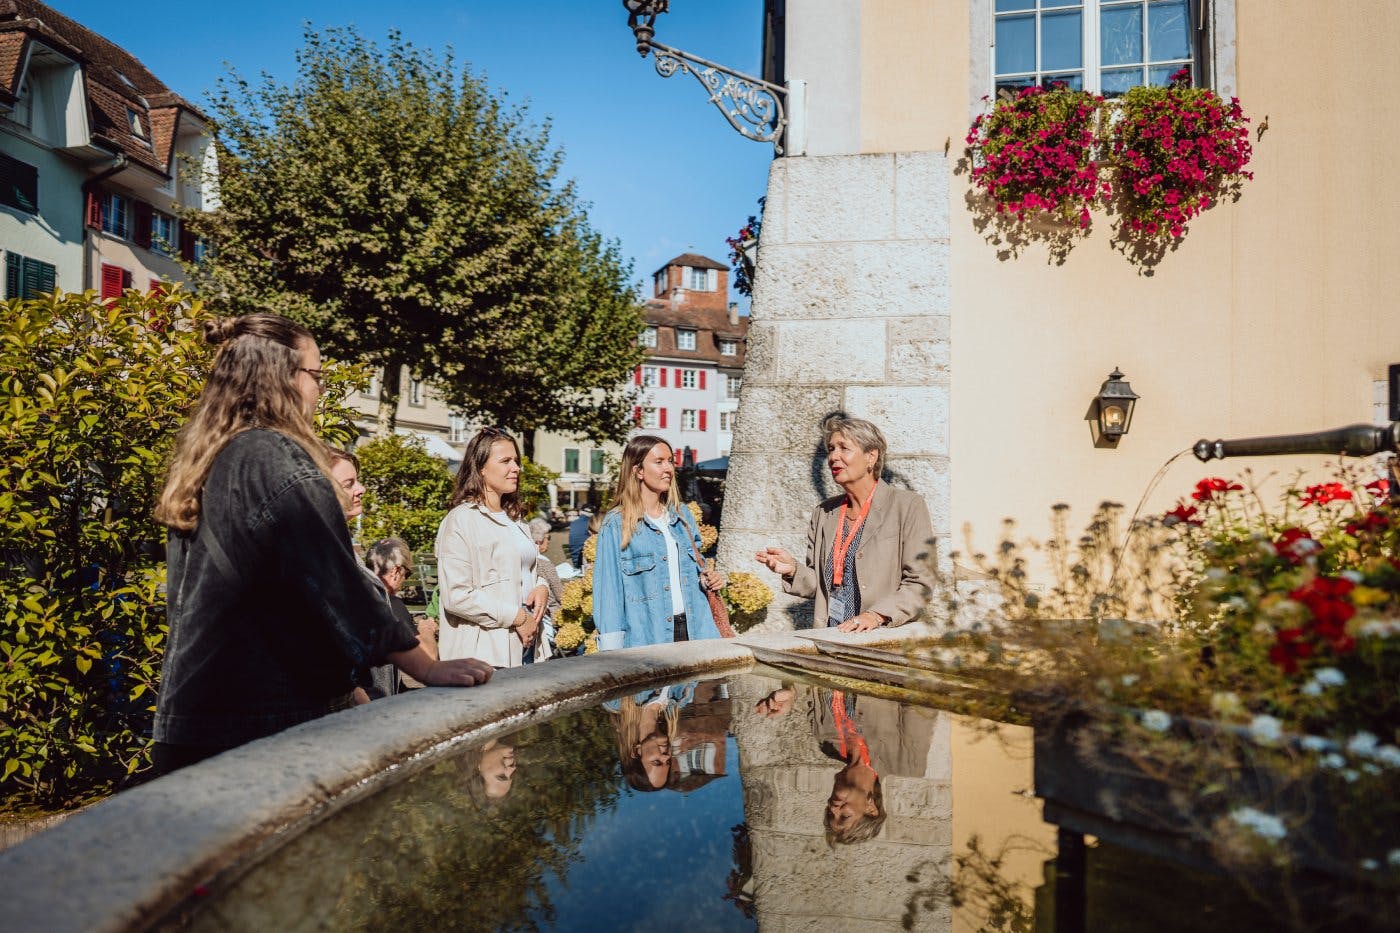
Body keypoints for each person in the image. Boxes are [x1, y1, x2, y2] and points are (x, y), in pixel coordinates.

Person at [150, 313, 491, 775]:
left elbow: (183, 601)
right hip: (260, 727)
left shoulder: (209, 458)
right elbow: (336, 587)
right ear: (281, 379)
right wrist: (427, 668)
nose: (321, 389)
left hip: (190, 719)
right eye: (316, 375)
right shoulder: (277, 460)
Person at [755, 415, 935, 632]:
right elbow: (821, 586)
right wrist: (793, 570)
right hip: (833, 635)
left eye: (844, 448)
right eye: (831, 449)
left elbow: (920, 583)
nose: (833, 457)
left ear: (871, 456)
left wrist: (875, 616)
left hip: (881, 636)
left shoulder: (907, 506)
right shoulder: (824, 513)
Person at [591, 435, 725, 649]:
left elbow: (694, 571)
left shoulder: (682, 516)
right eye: (659, 461)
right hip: (648, 637)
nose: (669, 469)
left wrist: (709, 579)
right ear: (638, 471)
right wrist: (611, 654)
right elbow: (609, 596)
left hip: (698, 630)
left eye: (670, 461)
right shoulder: (617, 524)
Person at [435, 427, 549, 668]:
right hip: (485, 651)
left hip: (526, 643)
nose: (516, 468)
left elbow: (525, 571)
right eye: (506, 461)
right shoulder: (462, 520)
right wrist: (518, 618)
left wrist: (541, 587)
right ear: (481, 468)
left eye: (516, 461)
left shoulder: (515, 520)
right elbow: (457, 596)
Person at [365, 537, 423, 695]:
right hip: (377, 702)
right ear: (397, 571)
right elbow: (428, 657)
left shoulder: (356, 597)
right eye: (407, 574)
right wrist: (427, 629)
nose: (405, 580)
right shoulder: (391, 604)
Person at [528, 517, 563, 658]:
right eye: (548, 538)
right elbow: (561, 596)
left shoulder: (525, 562)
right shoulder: (545, 564)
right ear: (538, 541)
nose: (549, 541)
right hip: (552, 620)